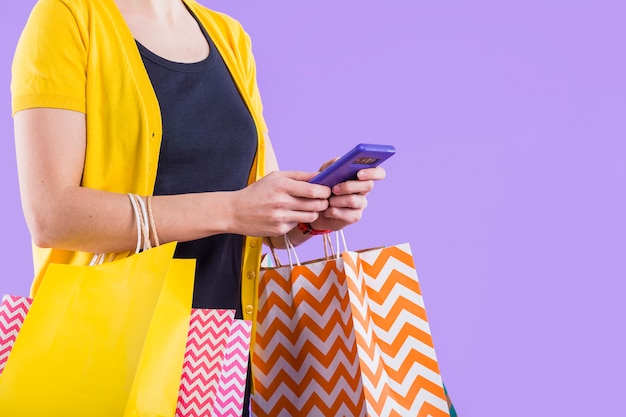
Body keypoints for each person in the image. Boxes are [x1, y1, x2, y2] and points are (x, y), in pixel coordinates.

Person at [11, 0, 385, 414]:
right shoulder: (68, 18)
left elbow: (260, 215)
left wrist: (312, 212)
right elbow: (52, 216)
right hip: (112, 357)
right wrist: (231, 210)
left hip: (223, 358)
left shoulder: (228, 36)